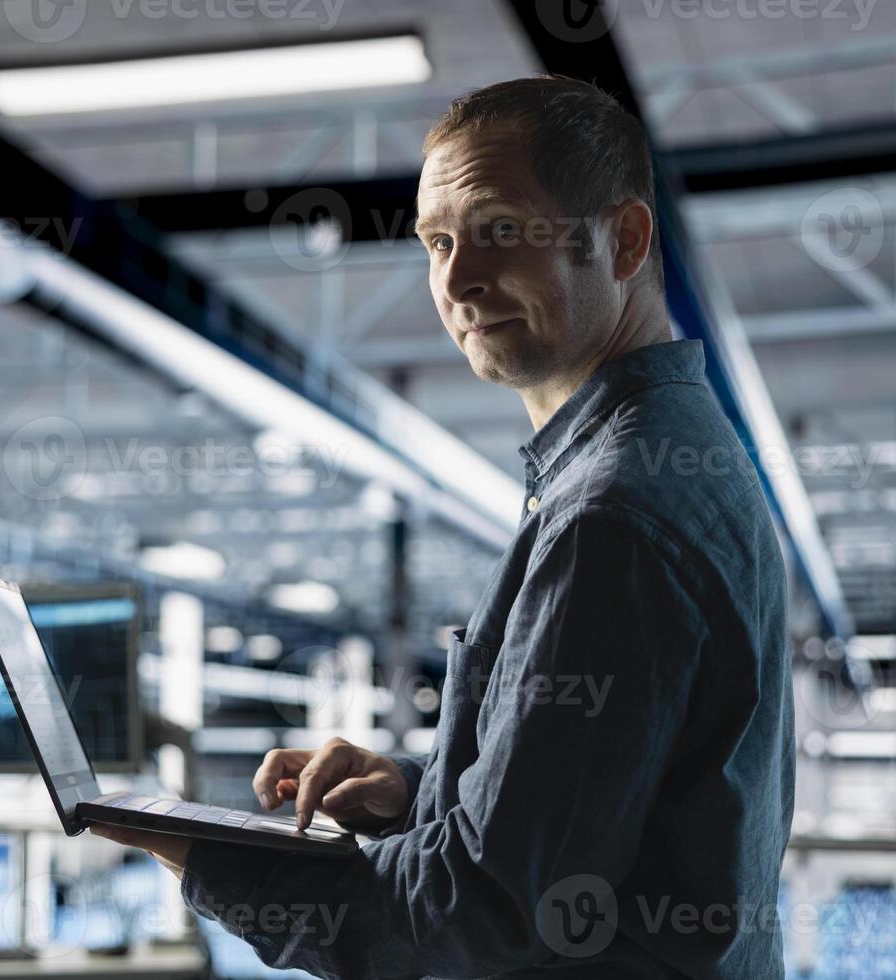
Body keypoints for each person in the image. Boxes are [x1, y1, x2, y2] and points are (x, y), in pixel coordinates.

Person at [95, 74, 794, 979]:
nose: (456, 279)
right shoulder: (665, 454)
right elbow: (595, 816)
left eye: (501, 229)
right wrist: (416, 799)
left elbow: (482, 909)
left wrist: (206, 856)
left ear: (622, 241)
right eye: (437, 241)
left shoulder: (612, 514)